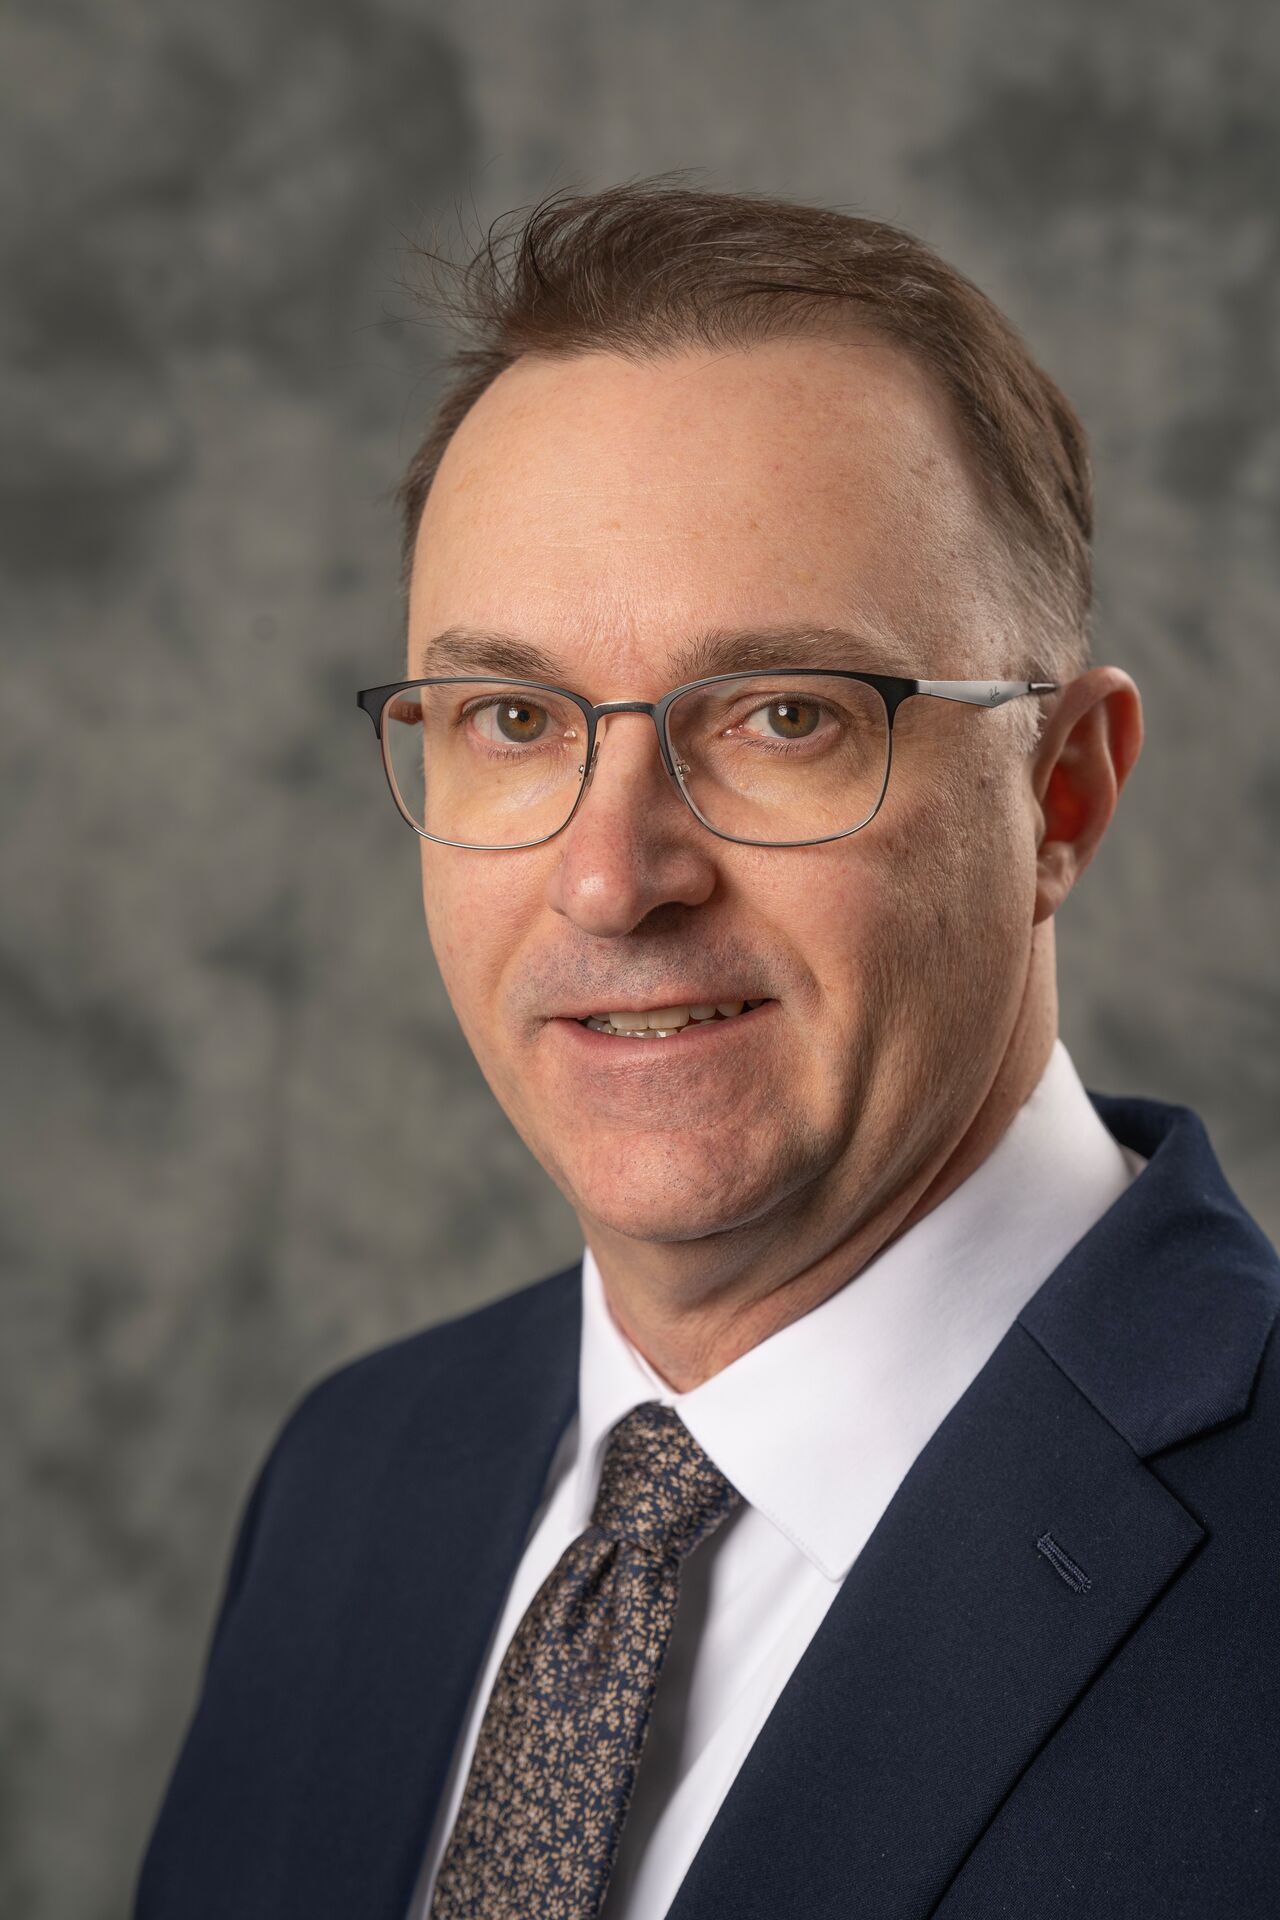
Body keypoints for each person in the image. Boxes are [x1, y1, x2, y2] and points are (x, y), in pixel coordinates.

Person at [133, 183, 1280, 1920]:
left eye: (784, 718)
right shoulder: (360, 1475)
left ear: (1063, 794)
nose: (612, 877)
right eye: (511, 722)